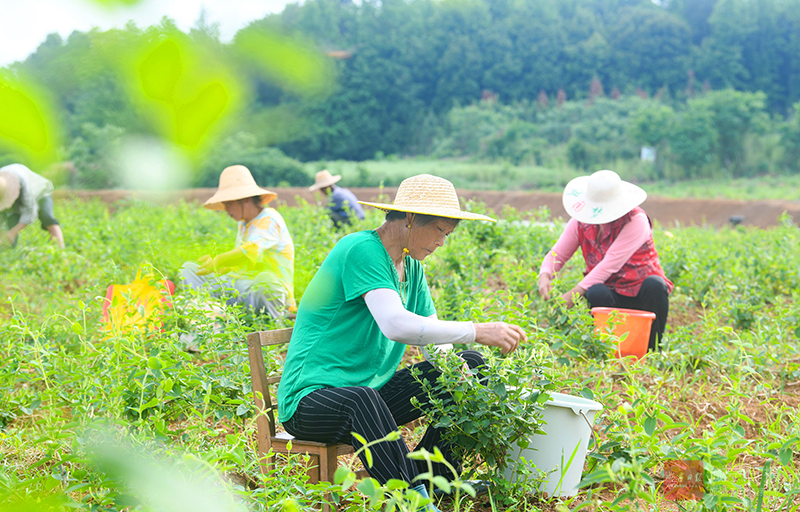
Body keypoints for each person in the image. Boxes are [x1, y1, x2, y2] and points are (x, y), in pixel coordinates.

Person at [278, 174, 526, 510]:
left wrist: (458, 374)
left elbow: (433, 338)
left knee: (470, 363)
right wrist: (477, 329)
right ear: (409, 218)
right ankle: (412, 501)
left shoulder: (410, 266)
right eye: (440, 231)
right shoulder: (362, 250)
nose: (442, 242)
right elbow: (394, 324)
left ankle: (437, 478)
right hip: (312, 402)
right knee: (361, 400)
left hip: (371, 398)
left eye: (447, 235)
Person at [538, 169, 673, 351]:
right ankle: (606, 348)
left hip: (640, 293)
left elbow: (610, 264)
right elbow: (558, 254)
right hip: (611, 294)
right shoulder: (581, 222)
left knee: (655, 285)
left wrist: (573, 295)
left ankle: (652, 349)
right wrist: (545, 275)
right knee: (595, 292)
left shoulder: (636, 221)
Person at [181, 165, 295, 318]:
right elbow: (243, 263)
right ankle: (205, 321)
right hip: (243, 289)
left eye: (228, 204)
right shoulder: (243, 224)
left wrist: (218, 260)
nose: (226, 210)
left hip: (268, 293)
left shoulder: (270, 219)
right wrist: (222, 269)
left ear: (245, 199)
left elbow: (250, 251)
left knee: (265, 280)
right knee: (189, 270)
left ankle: (274, 324)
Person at [0, 163, 64, 248]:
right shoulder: (2, 186)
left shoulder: (24, 183)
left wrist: (12, 232)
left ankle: (59, 250)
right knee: (12, 222)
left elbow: (30, 212)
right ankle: (10, 252)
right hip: (9, 194)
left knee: (47, 217)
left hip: (41, 192)